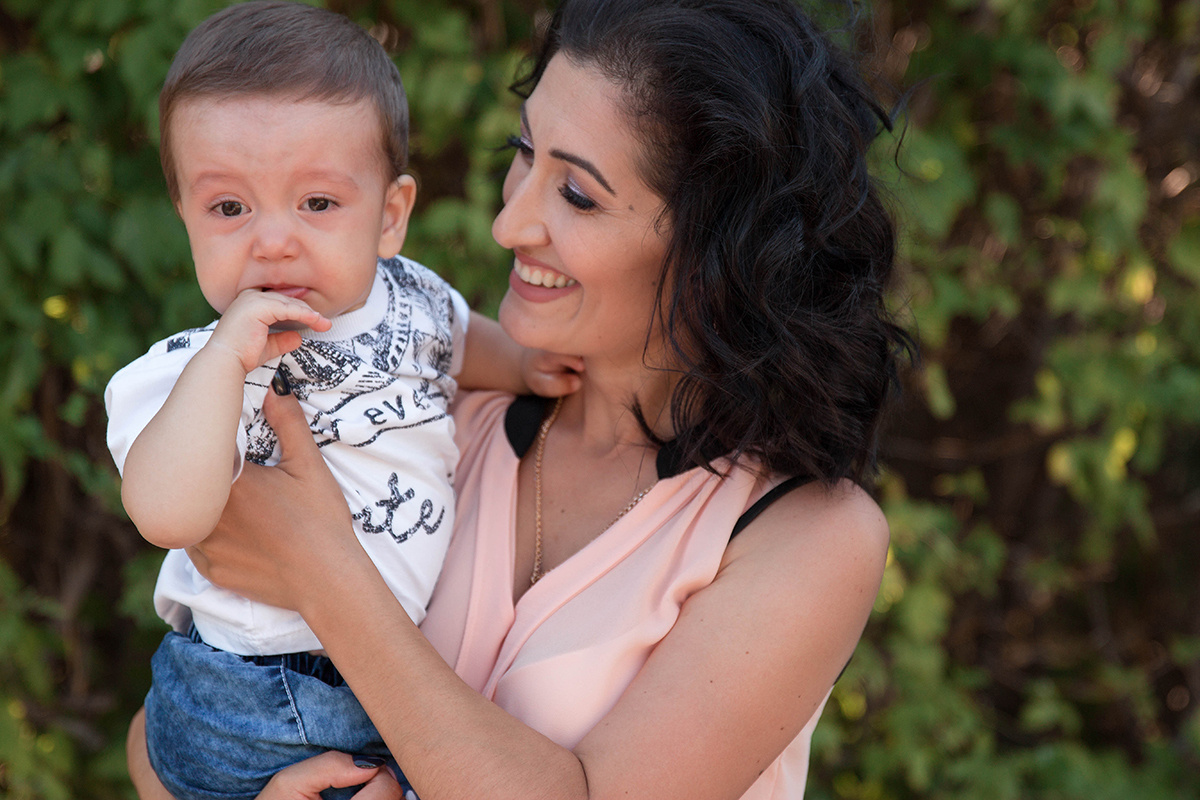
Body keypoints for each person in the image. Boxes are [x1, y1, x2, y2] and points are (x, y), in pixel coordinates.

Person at [126, 0, 913, 797]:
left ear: (717, 248)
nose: (508, 223)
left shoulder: (804, 538)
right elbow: (162, 738)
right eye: (523, 152)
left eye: (575, 193)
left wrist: (323, 572)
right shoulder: (426, 416)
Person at [105, 3, 576, 799]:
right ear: (185, 218)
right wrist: (227, 362)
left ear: (390, 217)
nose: (273, 240)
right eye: (229, 208)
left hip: (389, 671)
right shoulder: (182, 374)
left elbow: (468, 344)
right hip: (246, 694)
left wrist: (530, 367)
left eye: (317, 203)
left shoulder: (413, 298)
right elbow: (169, 517)